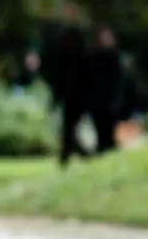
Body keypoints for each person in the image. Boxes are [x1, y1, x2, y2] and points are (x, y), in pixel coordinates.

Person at [42, 9, 90, 166]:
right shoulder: (65, 60)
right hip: (71, 96)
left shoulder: (78, 61)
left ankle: (73, 155)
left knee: (70, 129)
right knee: (69, 129)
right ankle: (77, 155)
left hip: (77, 96)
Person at [86, 26, 127, 156]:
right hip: (97, 99)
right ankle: (102, 150)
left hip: (110, 99)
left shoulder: (114, 57)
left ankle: (109, 149)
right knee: (100, 129)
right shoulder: (94, 57)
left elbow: (118, 81)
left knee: (110, 129)